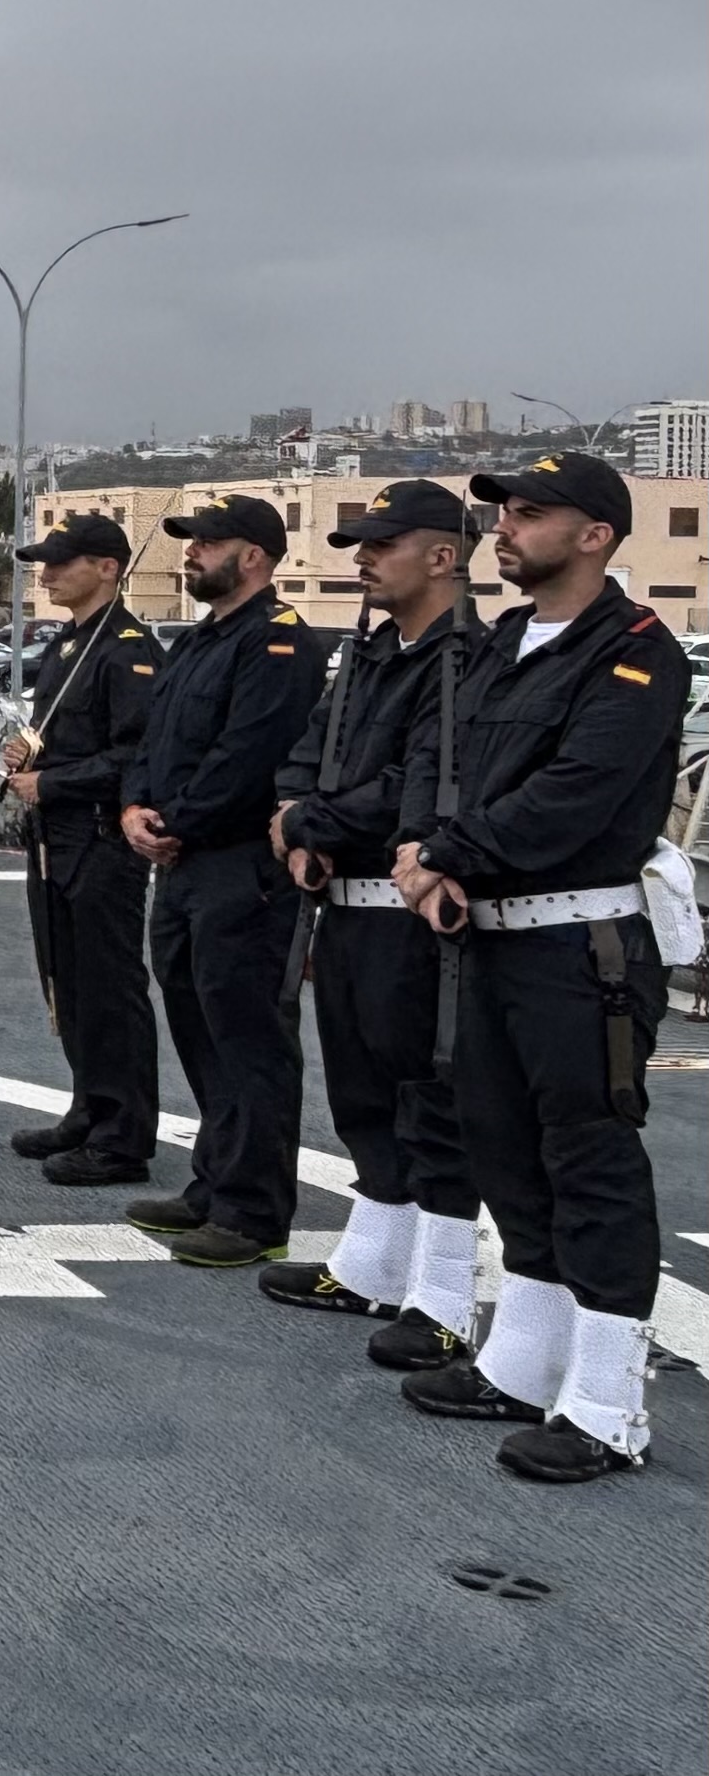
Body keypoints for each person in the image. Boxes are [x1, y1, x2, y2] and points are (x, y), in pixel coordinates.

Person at [391, 451, 693, 1482]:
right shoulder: (502, 641)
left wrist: (443, 853)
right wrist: (424, 848)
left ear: (594, 533)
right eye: (503, 513)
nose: (504, 528)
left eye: (527, 514)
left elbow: (575, 789)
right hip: (489, 932)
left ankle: (607, 1402)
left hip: (582, 945)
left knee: (588, 1157)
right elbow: (450, 769)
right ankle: (522, 1362)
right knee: (502, 1146)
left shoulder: (639, 651)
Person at [253, 480, 482, 1361]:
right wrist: (290, 816)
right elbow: (313, 749)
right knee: (360, 1094)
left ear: (439, 555)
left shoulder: (462, 659)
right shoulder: (373, 651)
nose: (362, 560)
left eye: (381, 545)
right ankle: (375, 1267)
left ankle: (442, 1293)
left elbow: (417, 784)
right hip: (344, 905)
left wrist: (309, 823)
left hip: (409, 916)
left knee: (428, 1099)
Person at [117, 495, 331, 1268]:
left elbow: (248, 758)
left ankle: (251, 1212)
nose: (191, 553)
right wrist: (135, 807)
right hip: (183, 868)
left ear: (253, 556)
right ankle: (213, 1182)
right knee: (198, 1028)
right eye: (190, 541)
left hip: (242, 870)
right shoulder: (199, 642)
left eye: (208, 542)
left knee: (249, 1041)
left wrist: (174, 823)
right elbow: (153, 739)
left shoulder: (277, 645)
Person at [0, 512, 161, 1188]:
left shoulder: (127, 649)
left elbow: (136, 756)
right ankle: (88, 1107)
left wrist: (50, 780)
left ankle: (122, 1135)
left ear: (106, 568)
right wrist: (27, 756)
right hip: (56, 841)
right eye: (45, 560)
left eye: (62, 561)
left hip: (97, 840)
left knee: (110, 990)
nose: (47, 572)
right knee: (66, 983)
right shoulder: (68, 645)